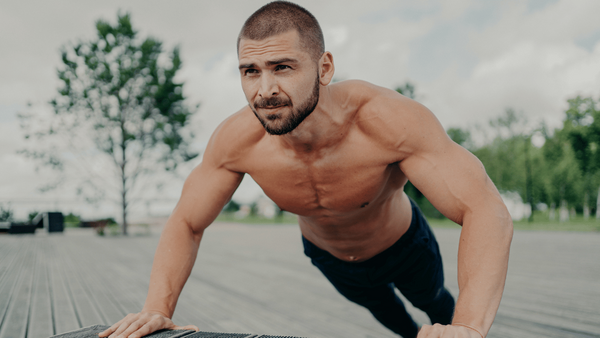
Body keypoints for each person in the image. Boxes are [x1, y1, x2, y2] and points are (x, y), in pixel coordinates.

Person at [99, 2, 513, 338]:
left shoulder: (386, 121)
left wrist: (468, 326)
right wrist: (157, 309)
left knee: (438, 305)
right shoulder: (236, 141)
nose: (265, 91)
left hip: (404, 246)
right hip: (332, 258)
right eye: (251, 71)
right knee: (391, 319)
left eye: (282, 67)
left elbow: (486, 210)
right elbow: (186, 222)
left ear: (324, 68)